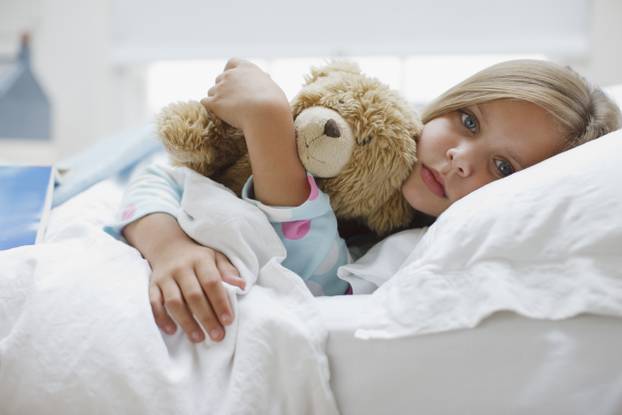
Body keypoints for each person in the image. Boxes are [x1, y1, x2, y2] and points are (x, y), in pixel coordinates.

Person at [109, 58, 621, 344]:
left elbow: (317, 286)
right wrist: (169, 243)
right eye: (468, 121)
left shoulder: (426, 246)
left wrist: (268, 125)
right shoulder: (359, 144)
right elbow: (162, 179)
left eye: (504, 167)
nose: (460, 157)